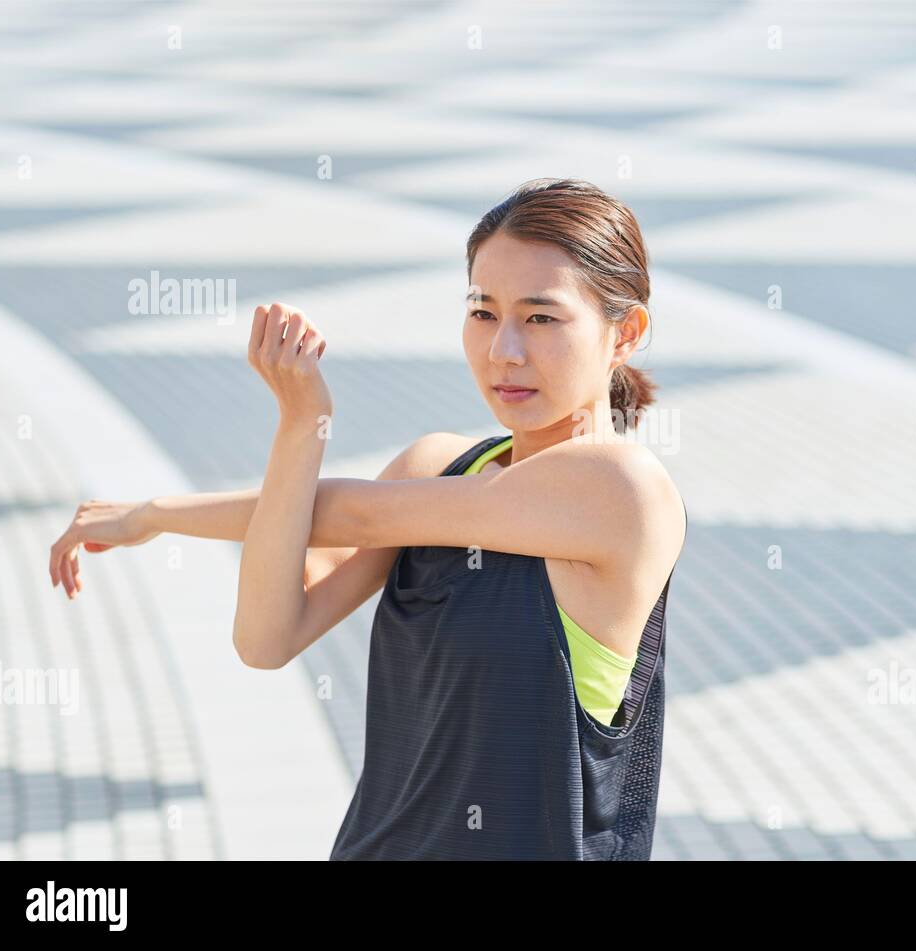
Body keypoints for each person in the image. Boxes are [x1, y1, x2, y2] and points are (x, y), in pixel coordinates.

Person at [47, 178, 687, 860]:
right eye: (482, 312)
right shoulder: (438, 466)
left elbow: (353, 511)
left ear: (626, 332)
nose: (504, 349)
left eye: (541, 317)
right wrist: (298, 424)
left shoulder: (622, 490)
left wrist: (158, 514)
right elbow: (267, 636)